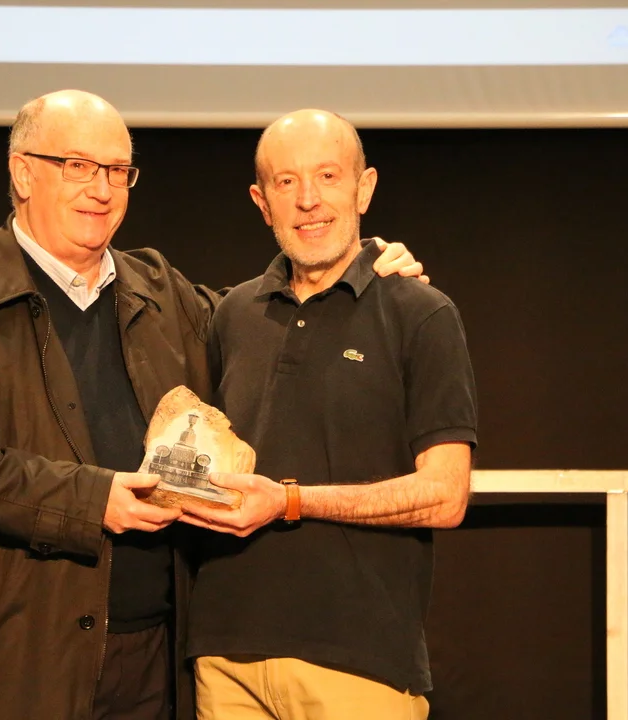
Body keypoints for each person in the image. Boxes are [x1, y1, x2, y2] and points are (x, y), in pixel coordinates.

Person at [0, 90, 426, 720]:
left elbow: (274, 316)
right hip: (9, 662)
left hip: (154, 658)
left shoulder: (162, 292)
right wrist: (90, 500)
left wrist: (362, 270)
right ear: (23, 173)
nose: (101, 190)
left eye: (118, 171)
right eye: (78, 166)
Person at [180, 109, 478, 720]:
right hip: (225, 654)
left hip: (357, 662)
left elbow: (445, 496)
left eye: (327, 176)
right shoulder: (232, 314)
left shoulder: (421, 313)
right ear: (262, 202)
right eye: (287, 181)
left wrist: (290, 501)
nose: (308, 199)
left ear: (364, 188)